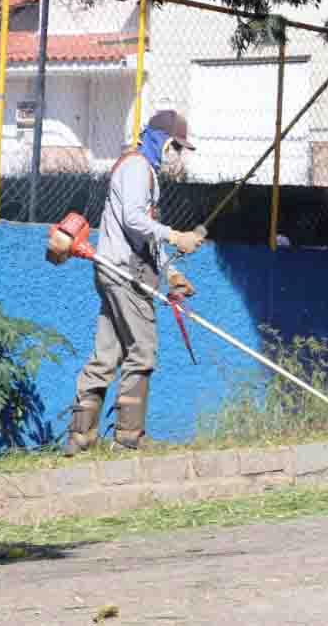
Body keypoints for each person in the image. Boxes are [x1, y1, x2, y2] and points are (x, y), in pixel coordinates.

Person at [64, 109, 206, 455]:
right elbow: (133, 220)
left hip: (117, 269)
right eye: (177, 147)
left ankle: (80, 438)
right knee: (142, 349)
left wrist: (171, 273)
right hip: (123, 271)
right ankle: (128, 437)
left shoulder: (144, 172)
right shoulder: (137, 168)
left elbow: (145, 235)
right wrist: (176, 235)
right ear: (164, 140)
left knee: (106, 353)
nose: (178, 156)